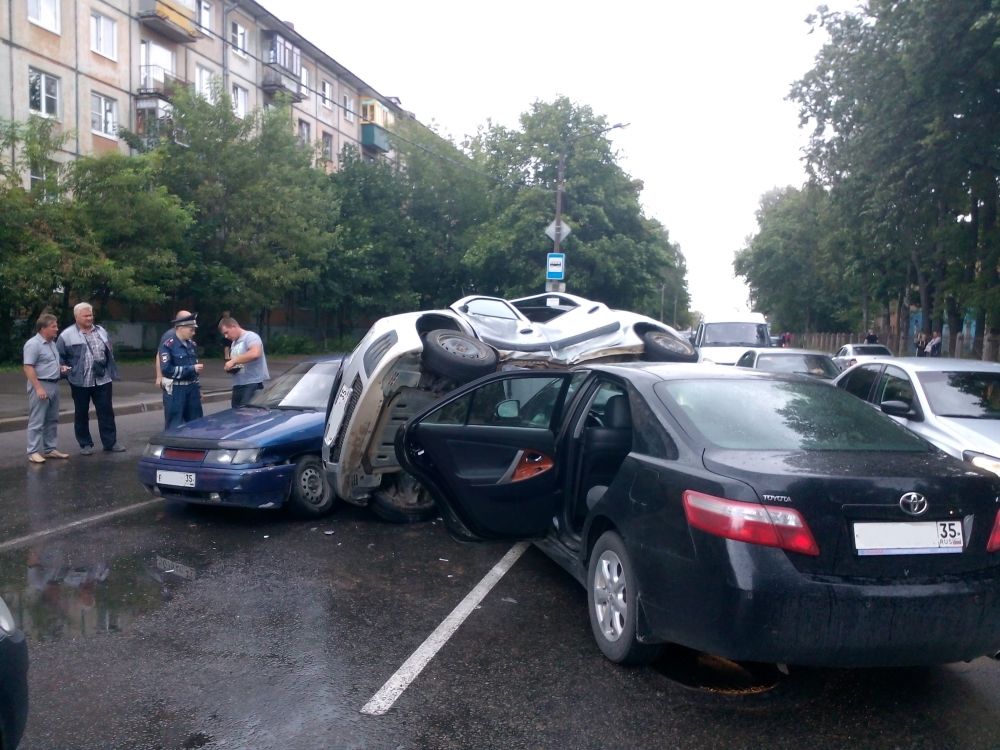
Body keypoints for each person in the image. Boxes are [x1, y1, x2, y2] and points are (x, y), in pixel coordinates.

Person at [57, 302, 124, 454]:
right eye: (86, 315)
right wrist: (66, 372)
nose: (89, 318)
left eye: (91, 315)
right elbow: (59, 357)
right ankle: (85, 444)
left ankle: (110, 443)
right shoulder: (66, 335)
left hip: (102, 379)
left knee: (106, 412)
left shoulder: (101, 331)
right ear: (76, 317)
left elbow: (109, 352)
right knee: (81, 413)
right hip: (80, 381)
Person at [23, 313, 72, 463]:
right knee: (37, 420)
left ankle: (50, 449)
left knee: (52, 419)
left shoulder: (51, 343)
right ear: (43, 328)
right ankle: (33, 452)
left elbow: (47, 363)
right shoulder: (33, 344)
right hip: (41, 384)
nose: (57, 329)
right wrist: (38, 388)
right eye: (54, 326)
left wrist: (60, 368)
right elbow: (28, 367)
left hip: (53, 384)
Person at [158, 313, 204, 428]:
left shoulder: (192, 345)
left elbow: (195, 370)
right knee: (175, 424)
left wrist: (198, 388)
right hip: (176, 390)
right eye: (191, 330)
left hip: (192, 389)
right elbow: (167, 369)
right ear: (181, 328)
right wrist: (190, 369)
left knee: (196, 423)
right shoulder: (168, 345)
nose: (193, 333)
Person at [219, 317, 270, 408]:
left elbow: (255, 353)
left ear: (233, 326)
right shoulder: (234, 343)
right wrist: (231, 368)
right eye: (224, 334)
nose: (226, 336)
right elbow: (240, 362)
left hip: (252, 384)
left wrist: (233, 361)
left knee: (248, 416)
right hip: (238, 384)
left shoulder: (251, 337)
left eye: (226, 332)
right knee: (236, 415)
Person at [155, 309, 192, 427]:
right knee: (174, 417)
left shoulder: (187, 335)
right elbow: (159, 355)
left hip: (186, 382)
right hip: (173, 382)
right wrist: (159, 376)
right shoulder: (170, 335)